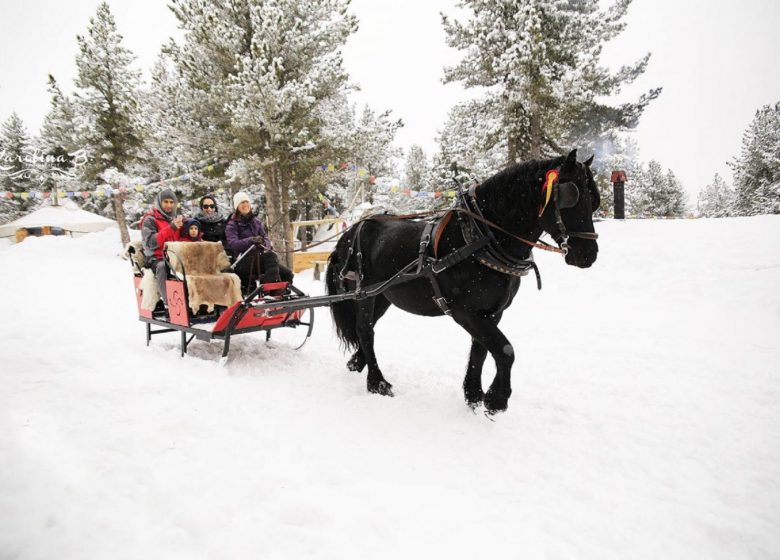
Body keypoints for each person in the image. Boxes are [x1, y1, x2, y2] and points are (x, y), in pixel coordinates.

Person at [225, 191, 293, 293]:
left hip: (260, 259)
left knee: (287, 273)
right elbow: (233, 244)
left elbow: (266, 239)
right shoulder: (232, 224)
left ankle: (282, 295)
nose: (245, 205)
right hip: (243, 261)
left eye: (246, 202)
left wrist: (263, 243)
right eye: (242, 203)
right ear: (237, 206)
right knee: (270, 256)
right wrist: (251, 241)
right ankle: (270, 290)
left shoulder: (256, 222)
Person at [141, 188, 183, 305]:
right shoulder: (150, 219)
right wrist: (171, 228)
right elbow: (150, 243)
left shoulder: (177, 219)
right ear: (159, 203)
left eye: (171, 202)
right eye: (166, 202)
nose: (169, 205)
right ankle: (169, 303)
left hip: (175, 256)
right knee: (163, 266)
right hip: (156, 258)